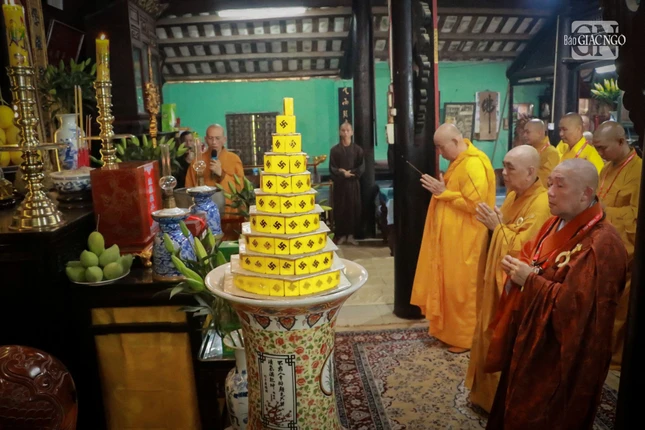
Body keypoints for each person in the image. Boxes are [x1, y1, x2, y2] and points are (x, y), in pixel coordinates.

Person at [485, 159, 628, 430]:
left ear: (586, 194)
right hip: (530, 336)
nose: (549, 192)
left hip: (559, 356)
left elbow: (580, 312)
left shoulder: (603, 244)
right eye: (549, 183)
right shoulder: (554, 223)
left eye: (559, 186)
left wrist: (530, 280)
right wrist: (519, 271)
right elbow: (532, 256)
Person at [466, 145, 551, 412]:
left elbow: (525, 250)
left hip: (515, 288)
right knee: (487, 331)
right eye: (504, 165)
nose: (504, 172)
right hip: (498, 280)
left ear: (530, 172)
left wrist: (497, 227)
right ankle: (484, 395)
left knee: (502, 339)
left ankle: (500, 401)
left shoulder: (541, 203)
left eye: (510, 168)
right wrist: (496, 225)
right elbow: (506, 230)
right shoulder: (515, 195)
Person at [411, 123, 496, 353]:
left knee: (462, 291)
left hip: (467, 241)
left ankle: (465, 339)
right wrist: (443, 189)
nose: (440, 153)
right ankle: (448, 333)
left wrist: (443, 192)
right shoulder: (459, 162)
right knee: (449, 287)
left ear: (456, 142)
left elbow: (476, 205)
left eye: (441, 147)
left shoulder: (473, 164)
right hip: (453, 239)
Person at [592, 121, 642, 370]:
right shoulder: (606, 169)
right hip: (602, 247)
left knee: (619, 309)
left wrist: (606, 211)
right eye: (597, 148)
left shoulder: (639, 171)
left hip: (626, 253)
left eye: (603, 148)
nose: (600, 153)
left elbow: (636, 216)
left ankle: (614, 362)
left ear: (621, 142)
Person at [185, 124, 244, 217]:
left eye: (217, 138)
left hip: (229, 211)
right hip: (203, 212)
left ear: (224, 139)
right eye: (210, 138)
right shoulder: (197, 162)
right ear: (205, 139)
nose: (214, 142)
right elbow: (189, 189)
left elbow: (240, 188)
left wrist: (222, 174)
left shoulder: (234, 159)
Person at [329, 121, 364, 245]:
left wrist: (350, 173)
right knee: (340, 209)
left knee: (353, 209)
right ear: (340, 132)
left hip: (353, 184)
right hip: (340, 185)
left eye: (348, 130)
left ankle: (351, 235)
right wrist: (342, 174)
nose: (345, 133)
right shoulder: (335, 150)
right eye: (343, 130)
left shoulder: (358, 150)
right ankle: (341, 235)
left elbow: (361, 167)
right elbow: (332, 168)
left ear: (352, 132)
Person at [522, 119, 560, 188]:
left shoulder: (551, 152)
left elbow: (546, 179)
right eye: (524, 132)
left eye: (528, 132)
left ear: (539, 133)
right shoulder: (528, 150)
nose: (524, 135)